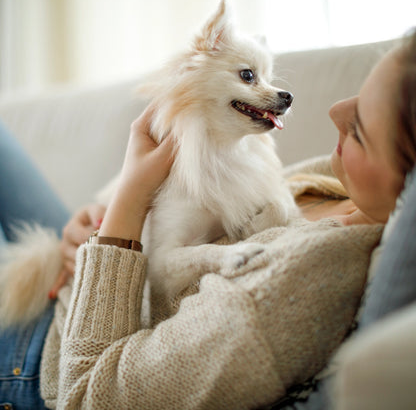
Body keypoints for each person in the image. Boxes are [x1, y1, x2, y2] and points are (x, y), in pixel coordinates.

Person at [0, 31, 415, 410]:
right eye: (356, 97)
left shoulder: (288, 294)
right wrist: (97, 227)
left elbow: (85, 392)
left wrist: (129, 199)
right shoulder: (339, 183)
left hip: (40, 354)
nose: (335, 111)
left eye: (359, 128)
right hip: (72, 276)